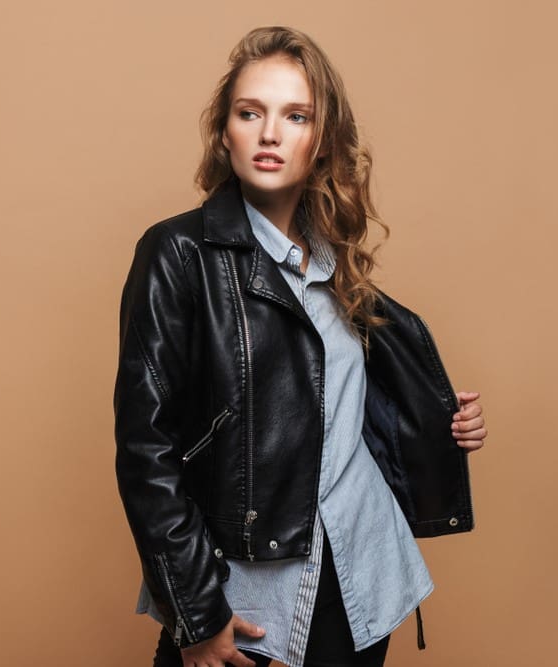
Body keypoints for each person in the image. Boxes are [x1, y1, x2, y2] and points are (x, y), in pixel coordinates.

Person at [113, 26, 487, 667]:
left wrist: (445, 420)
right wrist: (196, 614)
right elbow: (147, 451)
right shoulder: (178, 254)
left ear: (322, 140)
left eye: (296, 115)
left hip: (364, 573)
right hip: (253, 596)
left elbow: (343, 406)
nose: (268, 134)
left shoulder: (336, 263)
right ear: (224, 130)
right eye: (249, 112)